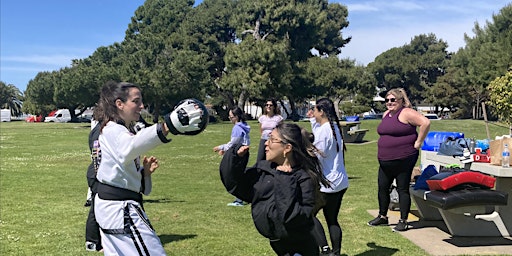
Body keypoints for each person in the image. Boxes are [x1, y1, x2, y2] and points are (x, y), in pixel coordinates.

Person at [93, 81, 208, 255]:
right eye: (136, 101)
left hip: (116, 206)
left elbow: (126, 173)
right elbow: (128, 148)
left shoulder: (117, 130)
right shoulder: (112, 130)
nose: (141, 106)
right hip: (120, 209)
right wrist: (166, 126)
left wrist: (144, 174)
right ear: (119, 104)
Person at [219, 123, 331, 256]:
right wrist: (235, 159)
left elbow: (292, 218)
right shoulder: (265, 169)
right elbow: (236, 186)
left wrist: (284, 178)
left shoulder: (303, 178)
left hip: (299, 249)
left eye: (272, 139)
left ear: (287, 148)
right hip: (278, 245)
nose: (266, 143)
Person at [367, 88, 430, 232]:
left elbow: (425, 123)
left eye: (393, 100)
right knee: (383, 187)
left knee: (402, 188)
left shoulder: (406, 112)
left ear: (401, 101)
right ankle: (382, 216)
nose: (389, 103)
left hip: (403, 158)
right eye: (387, 100)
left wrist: (418, 142)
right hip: (385, 160)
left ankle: (403, 220)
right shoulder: (386, 114)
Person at [307, 98, 349, 256]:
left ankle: (325, 250)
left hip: (328, 184)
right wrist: (313, 120)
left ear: (322, 111)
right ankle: (336, 252)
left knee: (308, 215)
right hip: (340, 182)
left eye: (315, 110)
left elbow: (317, 155)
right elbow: (320, 135)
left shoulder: (325, 132)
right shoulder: (333, 128)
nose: (313, 112)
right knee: (332, 219)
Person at [213, 106, 251, 206]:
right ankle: (245, 197)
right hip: (244, 152)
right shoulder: (244, 126)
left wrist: (221, 148)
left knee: (234, 176)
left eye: (231, 117)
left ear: (237, 117)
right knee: (240, 175)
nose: (230, 119)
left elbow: (233, 144)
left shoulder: (237, 128)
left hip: (238, 153)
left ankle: (239, 199)